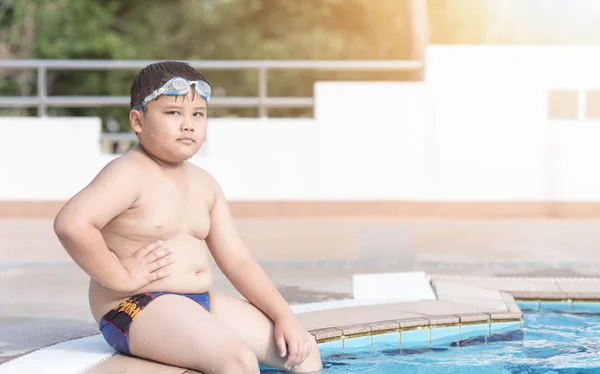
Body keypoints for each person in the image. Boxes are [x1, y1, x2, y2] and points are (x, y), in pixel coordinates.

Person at [53, 61, 323, 374]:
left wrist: (284, 316)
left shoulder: (204, 183)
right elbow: (71, 224)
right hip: (135, 306)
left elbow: (237, 260)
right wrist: (120, 278)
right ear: (137, 121)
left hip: (197, 301)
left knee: (303, 351)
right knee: (237, 361)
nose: (188, 124)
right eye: (173, 113)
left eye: (198, 114)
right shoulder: (128, 173)